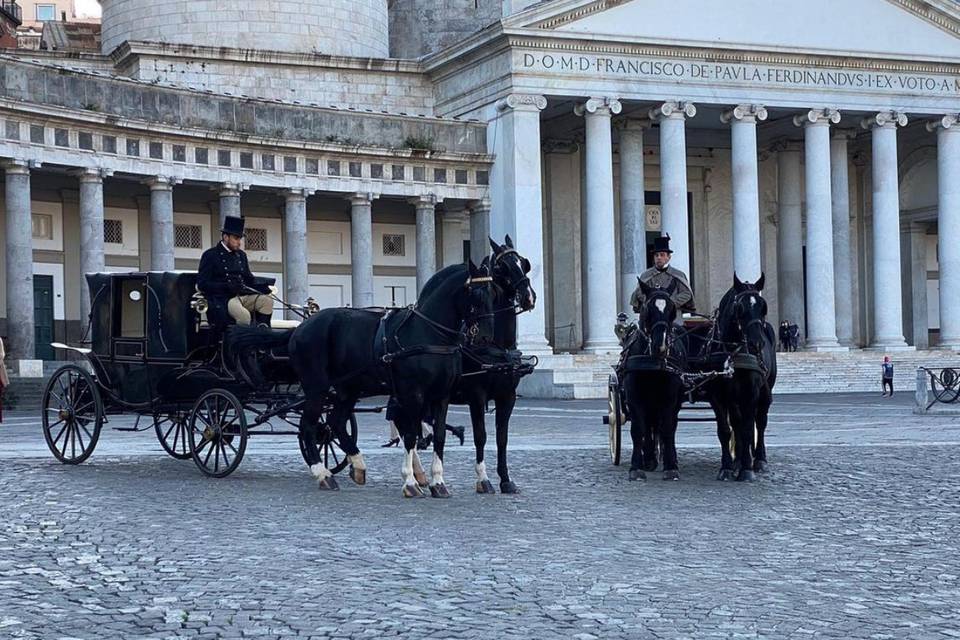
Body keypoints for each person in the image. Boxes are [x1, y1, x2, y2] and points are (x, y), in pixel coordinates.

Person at [197, 215, 273, 329]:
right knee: (244, 316)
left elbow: (248, 278)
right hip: (224, 299)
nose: (239, 242)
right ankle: (241, 345)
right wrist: (226, 286)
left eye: (240, 239)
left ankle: (262, 335)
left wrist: (262, 286)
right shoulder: (211, 255)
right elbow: (202, 284)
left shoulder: (241, 255)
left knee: (266, 301)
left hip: (242, 295)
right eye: (236, 238)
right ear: (226, 237)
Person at [629, 234, 695, 325]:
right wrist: (652, 301)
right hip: (651, 318)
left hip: (673, 317)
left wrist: (670, 302)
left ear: (668, 257)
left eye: (662, 255)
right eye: (656, 255)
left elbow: (687, 294)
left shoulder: (678, 275)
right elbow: (639, 292)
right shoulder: (646, 275)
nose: (659, 257)